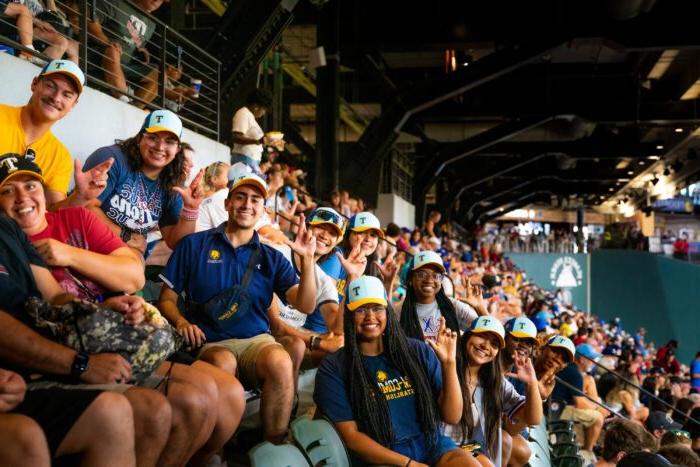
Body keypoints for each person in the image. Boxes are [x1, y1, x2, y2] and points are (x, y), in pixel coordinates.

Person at [0, 153, 244, 465]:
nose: (22, 198)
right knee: (188, 401)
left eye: (30, 185)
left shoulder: (71, 220)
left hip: (113, 331)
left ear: (44, 192)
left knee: (223, 394)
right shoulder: (13, 238)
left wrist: (73, 261)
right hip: (72, 350)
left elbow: (129, 275)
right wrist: (83, 362)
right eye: (7, 190)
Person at [158, 167, 317, 443]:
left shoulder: (272, 257)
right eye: (241, 197)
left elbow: (306, 305)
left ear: (263, 212)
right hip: (210, 342)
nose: (247, 204)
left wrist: (307, 261)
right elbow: (167, 299)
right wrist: (182, 322)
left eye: (256, 200)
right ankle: (213, 452)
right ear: (227, 203)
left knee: (280, 360)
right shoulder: (195, 245)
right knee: (223, 362)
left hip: (256, 341)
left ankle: (275, 447)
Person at [314, 275, 478, 467]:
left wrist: (449, 364)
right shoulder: (334, 367)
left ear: (387, 312)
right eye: (361, 310)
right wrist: (408, 464)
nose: (370, 317)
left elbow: (452, 416)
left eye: (377, 308)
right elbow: (350, 436)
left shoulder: (417, 351)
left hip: (432, 445)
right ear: (349, 316)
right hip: (383, 457)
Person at [83, 109, 205, 257]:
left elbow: (174, 242)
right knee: (134, 272)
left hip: (122, 255)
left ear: (178, 150)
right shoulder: (111, 159)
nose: (160, 147)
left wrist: (191, 209)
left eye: (169, 142)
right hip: (85, 240)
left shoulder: (173, 184)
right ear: (140, 138)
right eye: (153, 137)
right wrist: (126, 236)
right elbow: (85, 207)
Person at [0, 59, 113, 208]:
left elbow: (52, 211)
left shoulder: (60, 156)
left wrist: (79, 196)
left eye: (67, 94)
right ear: (34, 84)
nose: (56, 97)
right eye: (50, 86)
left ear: (74, 104)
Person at [447, 316, 542, 467]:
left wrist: (532, 384)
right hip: (439, 447)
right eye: (481, 336)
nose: (486, 346)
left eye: (494, 343)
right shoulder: (446, 366)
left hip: (468, 447)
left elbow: (533, 419)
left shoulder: (495, 381)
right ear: (467, 336)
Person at [87, 0, 165, 106]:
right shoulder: (117, 3)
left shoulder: (151, 24)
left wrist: (142, 50)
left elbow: (135, 41)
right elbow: (91, 23)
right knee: (113, 51)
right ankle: (123, 102)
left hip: (124, 65)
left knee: (160, 75)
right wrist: (107, 42)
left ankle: (134, 109)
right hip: (98, 55)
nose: (157, 1)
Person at [400, 250, 485, 342]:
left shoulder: (453, 306)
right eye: (422, 274)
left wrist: (480, 307)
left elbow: (487, 333)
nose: (429, 279)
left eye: (435, 275)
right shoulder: (399, 310)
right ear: (410, 279)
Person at [551, 343, 605, 464]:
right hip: (557, 410)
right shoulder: (574, 373)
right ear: (582, 359)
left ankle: (587, 449)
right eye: (591, 359)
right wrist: (596, 406)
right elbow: (580, 404)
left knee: (595, 412)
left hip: (556, 405)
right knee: (598, 418)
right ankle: (587, 452)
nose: (593, 362)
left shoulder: (572, 369)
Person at [230, 88, 283, 173]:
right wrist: (258, 141)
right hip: (243, 159)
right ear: (256, 106)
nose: (264, 113)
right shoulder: (243, 114)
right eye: (264, 109)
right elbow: (236, 137)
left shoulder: (251, 118)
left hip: (251, 160)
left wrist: (267, 140)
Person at [197, 160, 230, 231]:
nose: (232, 177)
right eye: (228, 175)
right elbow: (228, 230)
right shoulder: (221, 196)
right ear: (214, 179)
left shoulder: (213, 196)